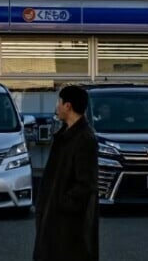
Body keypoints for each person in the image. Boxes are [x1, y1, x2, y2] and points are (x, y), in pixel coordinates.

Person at [34, 85, 99, 261]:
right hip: (56, 220)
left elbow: (86, 184)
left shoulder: (84, 139)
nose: (57, 106)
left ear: (68, 106)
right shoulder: (65, 135)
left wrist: (59, 206)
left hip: (69, 225)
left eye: (59, 102)